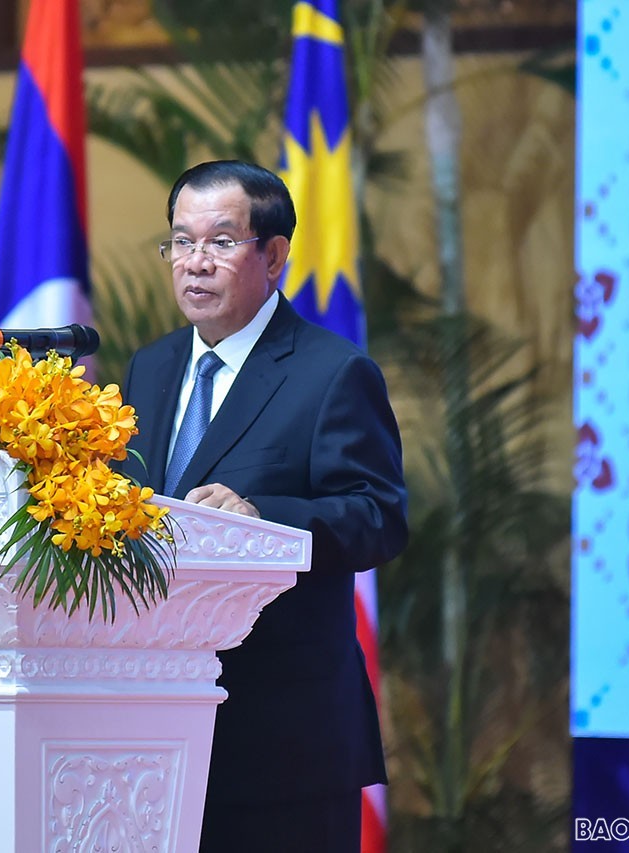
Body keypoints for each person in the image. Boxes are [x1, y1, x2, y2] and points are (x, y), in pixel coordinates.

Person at [121, 160, 408, 852]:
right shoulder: (150, 369)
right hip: (152, 728)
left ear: (274, 256)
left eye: (220, 242)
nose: (194, 263)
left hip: (285, 742)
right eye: (180, 242)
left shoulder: (332, 372)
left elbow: (378, 517)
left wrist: (260, 517)